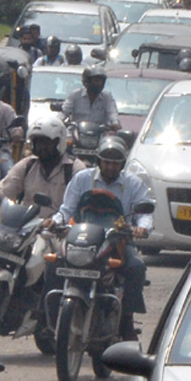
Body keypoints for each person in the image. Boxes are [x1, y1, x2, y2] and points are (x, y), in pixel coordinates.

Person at [57, 136, 151, 340]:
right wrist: (54, 221)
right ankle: (48, 317)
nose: (110, 167)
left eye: (115, 163)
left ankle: (126, 319)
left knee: (136, 266)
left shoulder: (133, 184)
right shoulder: (83, 178)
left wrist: (140, 228)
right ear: (99, 161)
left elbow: (144, 214)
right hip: (82, 239)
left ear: (122, 164)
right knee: (53, 261)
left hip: (117, 241)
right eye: (106, 162)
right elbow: (66, 209)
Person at [0, 116, 83, 221]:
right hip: (27, 227)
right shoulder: (27, 165)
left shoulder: (74, 169)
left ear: (59, 142)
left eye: (46, 142)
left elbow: (82, 205)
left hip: (61, 230)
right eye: (37, 142)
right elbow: (7, 187)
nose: (41, 147)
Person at [62, 65, 121, 132]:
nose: (99, 84)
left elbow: (112, 112)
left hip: (98, 134)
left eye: (101, 81)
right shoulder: (75, 95)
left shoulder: (107, 96)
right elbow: (64, 111)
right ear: (86, 82)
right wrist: (58, 121)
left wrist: (115, 123)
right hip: (76, 133)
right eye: (96, 81)